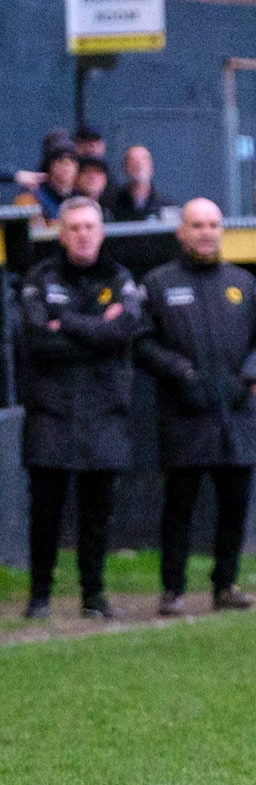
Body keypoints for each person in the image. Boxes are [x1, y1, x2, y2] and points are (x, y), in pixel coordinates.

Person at [136, 198, 256, 616]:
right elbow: (141, 342)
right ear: (181, 232)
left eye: (213, 225)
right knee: (179, 506)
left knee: (234, 507)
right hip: (183, 415)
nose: (206, 232)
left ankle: (225, 585)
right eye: (197, 225)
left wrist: (249, 375)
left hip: (235, 415)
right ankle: (172, 590)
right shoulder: (159, 284)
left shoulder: (244, 283)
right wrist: (179, 370)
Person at [17, 197, 142, 619]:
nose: (83, 234)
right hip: (50, 412)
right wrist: (96, 329)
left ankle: (94, 595)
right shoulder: (39, 277)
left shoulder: (120, 278)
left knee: (97, 512)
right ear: (61, 233)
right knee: (46, 512)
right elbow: (37, 340)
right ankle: (39, 597)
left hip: (105, 411)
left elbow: (124, 332)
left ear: (101, 231)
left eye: (90, 226)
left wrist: (66, 322)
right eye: (74, 228)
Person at [15, 141, 80, 222]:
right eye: (60, 160)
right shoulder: (31, 196)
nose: (66, 165)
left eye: (72, 160)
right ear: (50, 165)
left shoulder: (80, 196)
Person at [112, 144, 176, 222]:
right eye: (133, 161)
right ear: (124, 167)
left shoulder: (166, 206)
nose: (139, 164)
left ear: (151, 167)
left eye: (144, 160)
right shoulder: (112, 205)